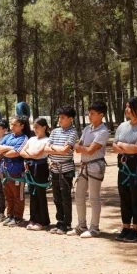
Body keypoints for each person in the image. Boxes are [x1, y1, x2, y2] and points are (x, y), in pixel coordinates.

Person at [113, 97, 137, 243]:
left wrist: (123, 146)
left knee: (136, 198)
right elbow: (114, 146)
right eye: (126, 107)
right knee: (124, 198)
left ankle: (135, 229)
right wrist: (127, 147)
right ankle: (125, 227)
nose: (126, 109)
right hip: (123, 168)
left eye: (129, 107)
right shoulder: (122, 126)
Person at [72, 101, 110, 238]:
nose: (89, 115)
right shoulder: (87, 129)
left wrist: (84, 148)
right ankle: (81, 225)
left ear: (101, 115)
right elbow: (81, 146)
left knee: (94, 197)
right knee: (79, 196)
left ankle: (94, 227)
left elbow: (89, 149)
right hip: (84, 165)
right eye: (89, 113)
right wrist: (85, 148)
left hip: (95, 166)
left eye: (92, 113)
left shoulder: (103, 132)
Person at [46, 106, 79, 235]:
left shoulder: (73, 132)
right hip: (54, 168)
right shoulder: (54, 131)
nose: (60, 119)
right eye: (59, 117)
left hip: (66, 170)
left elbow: (65, 150)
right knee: (56, 197)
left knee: (65, 197)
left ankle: (67, 223)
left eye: (63, 117)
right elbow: (46, 148)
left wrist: (53, 148)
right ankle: (59, 221)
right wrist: (57, 148)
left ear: (70, 119)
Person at [0, 116, 30, 226]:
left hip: (16, 172)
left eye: (15, 125)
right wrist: (10, 148)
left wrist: (5, 150)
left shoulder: (24, 138)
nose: (12, 127)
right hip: (4, 171)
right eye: (11, 124)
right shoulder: (8, 136)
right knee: (8, 195)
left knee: (17, 196)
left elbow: (16, 153)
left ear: (22, 126)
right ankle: (10, 215)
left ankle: (18, 217)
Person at [20, 118, 51, 231]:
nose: (35, 130)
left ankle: (42, 220)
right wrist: (31, 155)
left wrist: (29, 154)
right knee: (32, 194)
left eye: (37, 127)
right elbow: (22, 151)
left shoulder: (47, 140)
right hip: (30, 167)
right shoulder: (32, 139)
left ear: (44, 127)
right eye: (34, 127)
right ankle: (33, 218)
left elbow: (39, 153)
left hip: (41, 168)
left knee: (40, 194)